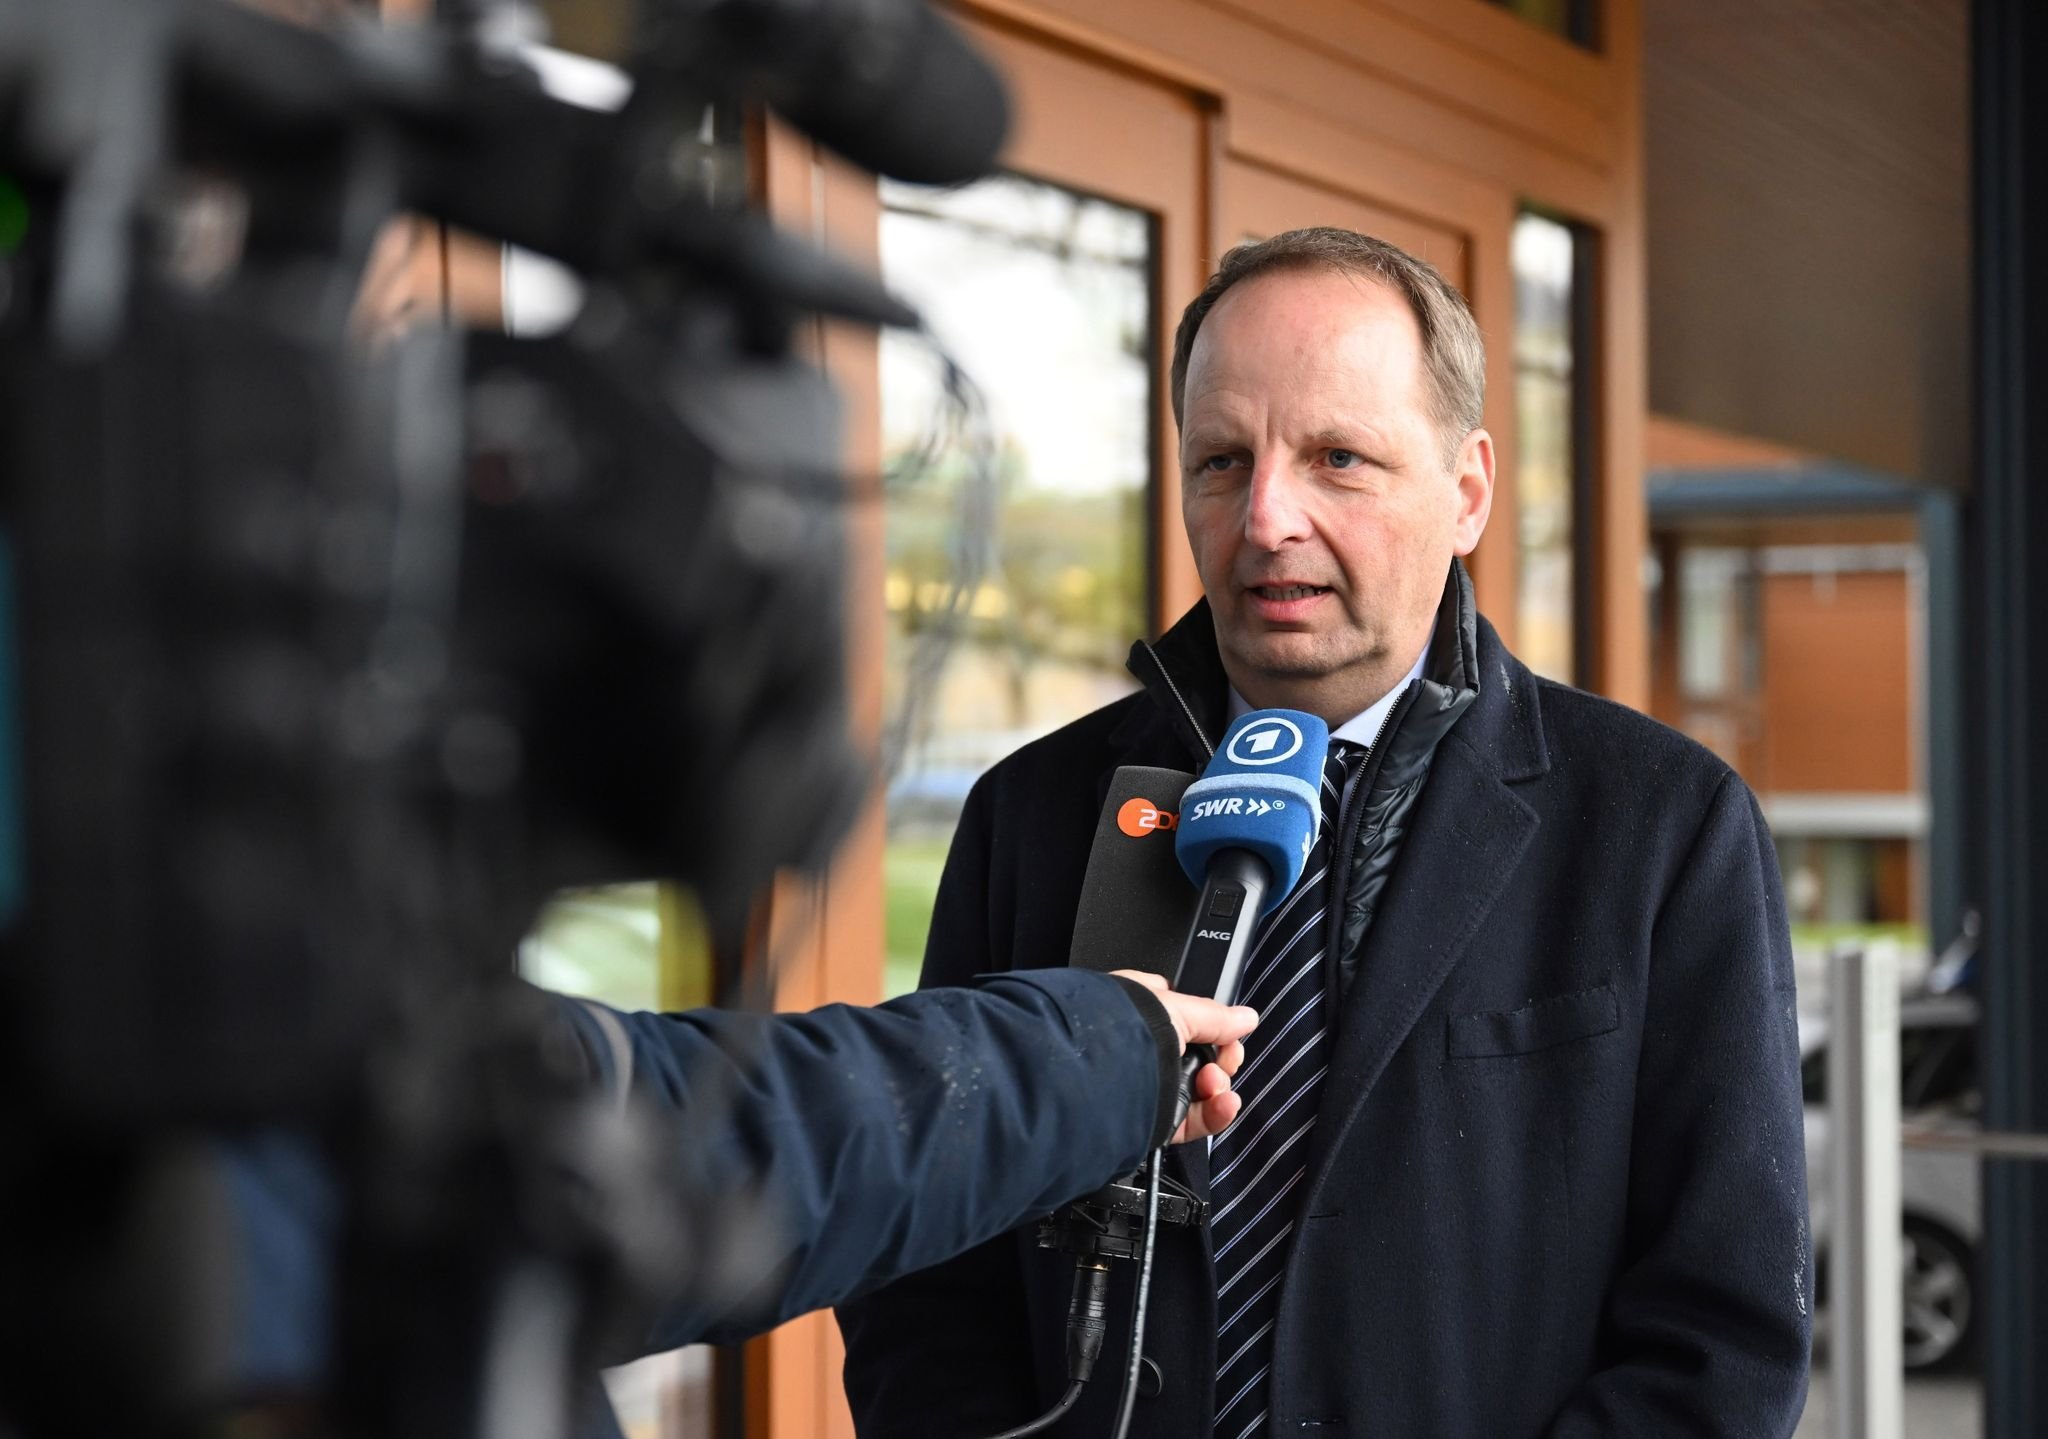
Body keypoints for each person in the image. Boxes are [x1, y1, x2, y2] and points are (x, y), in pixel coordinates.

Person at [837, 227, 1811, 1438]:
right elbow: (925, 1270)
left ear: (1465, 492)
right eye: (1220, 460)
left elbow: (1719, 1334)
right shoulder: (1034, 812)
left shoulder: (1660, 823)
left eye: (1337, 457)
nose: (1265, 516)